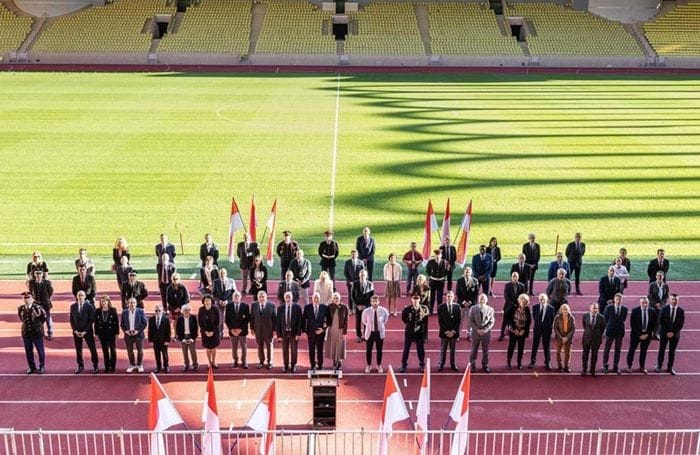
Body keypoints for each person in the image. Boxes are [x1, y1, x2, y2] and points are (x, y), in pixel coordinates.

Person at [70, 290, 98, 374]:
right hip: (77, 332)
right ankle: (80, 365)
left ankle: (95, 365)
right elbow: (71, 319)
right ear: (76, 296)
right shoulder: (73, 306)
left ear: (85, 296)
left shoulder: (89, 306)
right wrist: (75, 330)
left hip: (87, 332)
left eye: (82, 295)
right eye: (79, 295)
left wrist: (85, 331)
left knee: (92, 349)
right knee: (78, 349)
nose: (80, 297)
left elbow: (91, 320)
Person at [626, 297, 657, 374]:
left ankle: (642, 366)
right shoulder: (635, 311)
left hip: (647, 335)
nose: (645, 304)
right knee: (632, 350)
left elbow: (654, 324)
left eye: (646, 302)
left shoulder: (652, 311)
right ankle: (629, 366)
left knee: (644, 351)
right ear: (640, 303)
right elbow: (633, 324)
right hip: (636, 335)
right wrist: (640, 334)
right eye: (643, 303)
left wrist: (647, 334)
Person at [400, 294, 429, 373]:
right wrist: (410, 325)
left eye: (417, 299)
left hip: (419, 332)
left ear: (419, 300)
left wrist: (425, 335)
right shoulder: (407, 309)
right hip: (409, 332)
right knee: (406, 349)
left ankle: (422, 364)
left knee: (420, 349)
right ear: (412, 300)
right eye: (414, 299)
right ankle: (403, 364)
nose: (415, 301)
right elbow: (404, 318)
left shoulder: (424, 309)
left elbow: (425, 322)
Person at [18, 292, 46, 375]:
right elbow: (21, 318)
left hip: (37, 332)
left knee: (40, 351)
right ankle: (32, 367)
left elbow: (43, 318)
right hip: (26, 333)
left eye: (28, 298)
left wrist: (37, 321)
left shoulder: (37, 308)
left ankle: (41, 366)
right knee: (28, 351)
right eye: (25, 298)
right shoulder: (21, 308)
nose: (27, 300)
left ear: (32, 299)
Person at [656, 294, 684, 375]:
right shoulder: (664, 309)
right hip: (664, 333)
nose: (674, 301)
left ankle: (670, 367)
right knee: (662, 350)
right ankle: (659, 366)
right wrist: (667, 332)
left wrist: (673, 332)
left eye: (676, 299)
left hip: (675, 335)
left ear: (678, 300)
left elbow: (681, 324)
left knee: (672, 351)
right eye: (673, 299)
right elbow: (661, 321)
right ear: (669, 300)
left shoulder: (681, 311)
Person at [276, 291, 303, 373]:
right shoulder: (280, 308)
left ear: (292, 298)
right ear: (284, 298)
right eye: (286, 297)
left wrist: (298, 333)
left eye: (289, 297)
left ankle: (293, 365)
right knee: (285, 349)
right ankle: (285, 365)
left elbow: (300, 322)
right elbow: (278, 322)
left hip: (294, 333)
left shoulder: (297, 307)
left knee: (294, 350)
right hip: (284, 333)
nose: (288, 299)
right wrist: (279, 335)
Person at [362, 295, 389, 373]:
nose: (375, 303)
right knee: (368, 350)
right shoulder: (366, 311)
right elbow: (364, 321)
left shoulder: (384, 311)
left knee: (379, 350)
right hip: (370, 333)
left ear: (378, 302)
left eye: (376, 301)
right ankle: (369, 365)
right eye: (373, 301)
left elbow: (385, 320)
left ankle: (379, 365)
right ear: (371, 302)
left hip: (379, 333)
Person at [468, 294, 495, 373]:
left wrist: (485, 330)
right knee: (474, 350)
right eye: (480, 298)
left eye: (484, 298)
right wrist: (477, 330)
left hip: (486, 333)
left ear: (486, 300)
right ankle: (472, 365)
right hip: (475, 333)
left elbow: (491, 321)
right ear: (478, 299)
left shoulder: (491, 309)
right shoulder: (473, 308)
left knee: (485, 350)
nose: (482, 299)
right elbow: (471, 321)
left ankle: (485, 365)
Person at [602, 293, 627, 375]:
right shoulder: (609, 308)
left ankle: (615, 366)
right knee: (607, 349)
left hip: (619, 332)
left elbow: (623, 319)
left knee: (618, 349)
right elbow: (605, 319)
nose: (618, 301)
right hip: (610, 331)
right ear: (614, 300)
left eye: (620, 300)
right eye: (617, 299)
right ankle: (605, 365)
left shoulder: (624, 309)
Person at [250, 291, 276, 370]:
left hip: (269, 330)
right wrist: (252, 328)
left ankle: (269, 362)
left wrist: (275, 330)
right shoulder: (254, 305)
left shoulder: (272, 305)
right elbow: (252, 318)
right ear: (257, 297)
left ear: (266, 297)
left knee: (269, 346)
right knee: (260, 346)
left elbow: (275, 319)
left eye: (263, 297)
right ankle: (261, 361)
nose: (261, 298)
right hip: (258, 330)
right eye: (260, 297)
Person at [529, 293, 555, 370]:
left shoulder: (551, 308)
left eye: (543, 298)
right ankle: (532, 361)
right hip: (537, 328)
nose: (541, 300)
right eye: (540, 298)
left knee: (546, 346)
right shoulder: (535, 307)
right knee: (535, 345)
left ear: (546, 299)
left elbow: (552, 319)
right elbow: (534, 317)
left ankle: (547, 362)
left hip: (547, 329)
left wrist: (548, 327)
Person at [505, 293, 531, 370]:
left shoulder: (527, 309)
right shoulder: (513, 308)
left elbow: (529, 321)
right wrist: (514, 329)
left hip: (522, 332)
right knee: (511, 346)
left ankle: (519, 362)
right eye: (522, 300)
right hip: (514, 331)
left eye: (525, 301)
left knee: (521, 347)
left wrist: (523, 330)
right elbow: (508, 318)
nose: (523, 302)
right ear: (519, 300)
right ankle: (508, 362)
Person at [303, 292, 328, 371]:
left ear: (320, 299)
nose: (316, 299)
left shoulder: (324, 307)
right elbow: (304, 320)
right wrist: (304, 332)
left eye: (317, 298)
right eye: (315, 298)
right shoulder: (307, 307)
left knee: (320, 350)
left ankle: (320, 365)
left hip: (320, 333)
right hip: (311, 333)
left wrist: (323, 329)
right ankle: (312, 364)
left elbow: (329, 320)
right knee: (311, 350)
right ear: (312, 299)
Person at [121, 297, 147, 373]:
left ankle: (139, 364)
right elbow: (122, 324)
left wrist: (138, 331)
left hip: (138, 334)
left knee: (140, 350)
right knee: (130, 351)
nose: (132, 304)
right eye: (130, 303)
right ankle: (132, 364)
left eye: (134, 303)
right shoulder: (124, 312)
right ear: (128, 304)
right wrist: (126, 331)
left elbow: (144, 323)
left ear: (136, 304)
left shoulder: (141, 311)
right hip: (128, 335)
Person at [94, 295, 120, 373]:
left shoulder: (113, 310)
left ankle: (113, 366)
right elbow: (96, 323)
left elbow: (116, 322)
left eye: (105, 301)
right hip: (102, 334)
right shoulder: (98, 311)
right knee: (105, 351)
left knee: (113, 350)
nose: (103, 303)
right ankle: (107, 366)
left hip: (111, 333)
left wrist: (117, 333)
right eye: (102, 301)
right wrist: (96, 333)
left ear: (108, 301)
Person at [225, 291, 249, 369]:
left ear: (240, 297)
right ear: (232, 298)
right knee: (234, 347)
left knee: (243, 347)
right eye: (235, 296)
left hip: (242, 331)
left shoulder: (245, 306)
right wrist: (231, 329)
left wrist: (240, 329)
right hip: (233, 332)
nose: (236, 297)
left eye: (238, 296)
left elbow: (247, 319)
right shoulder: (228, 306)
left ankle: (244, 361)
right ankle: (235, 360)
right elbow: (227, 320)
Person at [325, 292, 349, 370]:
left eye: (337, 298)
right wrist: (325, 325)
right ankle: (334, 361)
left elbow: (346, 321)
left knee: (339, 346)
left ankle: (339, 362)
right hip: (332, 329)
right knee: (333, 345)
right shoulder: (329, 307)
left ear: (340, 299)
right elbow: (327, 318)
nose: (335, 300)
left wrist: (345, 332)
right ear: (332, 299)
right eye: (334, 298)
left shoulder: (344, 307)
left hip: (340, 330)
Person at [437, 291, 460, 372]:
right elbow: (440, 321)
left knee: (453, 350)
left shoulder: (457, 307)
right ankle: (441, 364)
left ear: (453, 297)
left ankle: (453, 364)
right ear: (445, 297)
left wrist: (453, 331)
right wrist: (446, 331)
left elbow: (458, 321)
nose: (449, 298)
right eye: (448, 296)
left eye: (451, 296)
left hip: (453, 333)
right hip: (444, 333)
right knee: (443, 349)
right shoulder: (440, 307)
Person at [581, 302, 605, 377]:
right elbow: (584, 326)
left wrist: (598, 336)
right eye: (593, 308)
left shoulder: (601, 317)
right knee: (585, 354)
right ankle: (584, 369)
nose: (595, 310)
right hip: (586, 338)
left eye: (596, 308)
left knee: (594, 355)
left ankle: (592, 370)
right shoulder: (585, 315)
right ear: (590, 308)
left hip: (596, 339)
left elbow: (602, 329)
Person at [28, 269, 54, 340]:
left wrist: (47, 299)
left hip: (45, 303)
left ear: (42, 275)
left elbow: (50, 292)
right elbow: (31, 292)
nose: (38, 275)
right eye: (37, 274)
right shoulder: (31, 283)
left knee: (47, 318)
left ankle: (50, 333)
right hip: (36, 303)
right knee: (37, 318)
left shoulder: (47, 283)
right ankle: (40, 332)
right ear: (35, 275)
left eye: (40, 274)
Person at [500, 272, 525, 341]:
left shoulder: (522, 286)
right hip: (508, 306)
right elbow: (506, 296)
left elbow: (522, 296)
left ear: (518, 277)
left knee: (516, 321)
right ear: (511, 277)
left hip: (518, 306)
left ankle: (515, 333)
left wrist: (518, 304)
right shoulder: (507, 285)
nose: (514, 278)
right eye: (513, 276)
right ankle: (502, 334)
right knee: (505, 321)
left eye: (516, 276)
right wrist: (512, 304)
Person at [456, 267, 479, 340]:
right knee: (460, 320)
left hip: (471, 304)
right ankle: (458, 334)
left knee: (470, 320)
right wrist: (463, 301)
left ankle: (469, 334)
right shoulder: (459, 280)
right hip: (462, 304)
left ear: (471, 273)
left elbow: (476, 293)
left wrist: (470, 302)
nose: (467, 273)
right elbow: (457, 293)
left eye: (468, 272)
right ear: (464, 273)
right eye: (466, 272)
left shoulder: (475, 281)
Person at [198, 294, 221, 368]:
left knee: (213, 348)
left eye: (209, 301)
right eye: (206, 301)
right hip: (205, 332)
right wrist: (205, 332)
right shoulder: (201, 309)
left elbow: (218, 321)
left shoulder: (215, 309)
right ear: (203, 302)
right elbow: (200, 322)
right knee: (208, 348)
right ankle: (209, 362)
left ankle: (214, 361)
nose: (207, 302)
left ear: (211, 301)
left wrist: (213, 331)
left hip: (214, 331)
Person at [352, 270, 374, 342]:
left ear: (366, 276)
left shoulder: (370, 284)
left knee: (366, 322)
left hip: (366, 307)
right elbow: (352, 296)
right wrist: (358, 305)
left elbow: (372, 296)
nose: (362, 276)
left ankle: (366, 335)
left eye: (364, 275)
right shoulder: (355, 284)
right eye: (361, 275)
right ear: (359, 275)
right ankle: (359, 336)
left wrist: (365, 306)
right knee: (358, 322)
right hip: (358, 306)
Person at [213, 268, 236, 337]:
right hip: (219, 303)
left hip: (229, 303)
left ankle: (232, 332)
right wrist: (219, 300)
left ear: (226, 274)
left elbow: (234, 293)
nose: (222, 275)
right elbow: (214, 294)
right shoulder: (216, 282)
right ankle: (220, 332)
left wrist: (227, 301)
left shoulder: (231, 281)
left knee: (230, 318)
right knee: (220, 318)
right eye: (221, 273)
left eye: (224, 273)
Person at [148, 303, 171, 373]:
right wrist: (150, 340)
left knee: (165, 355)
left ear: (162, 311)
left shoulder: (166, 319)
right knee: (157, 354)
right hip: (155, 340)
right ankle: (158, 367)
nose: (157, 312)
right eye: (156, 311)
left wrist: (167, 340)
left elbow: (168, 331)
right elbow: (150, 330)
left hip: (163, 340)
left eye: (159, 311)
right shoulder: (151, 319)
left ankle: (166, 366)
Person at [176, 304, 199, 372]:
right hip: (183, 337)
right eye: (185, 310)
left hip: (191, 336)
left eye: (188, 310)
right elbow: (178, 330)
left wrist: (192, 338)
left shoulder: (193, 318)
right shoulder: (179, 319)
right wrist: (182, 338)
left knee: (193, 351)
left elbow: (196, 329)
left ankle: (195, 364)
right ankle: (186, 364)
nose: (187, 312)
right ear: (182, 311)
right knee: (184, 352)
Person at [553, 303, 575, 372]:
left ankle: (566, 366)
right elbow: (555, 328)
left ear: (568, 310)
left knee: (567, 353)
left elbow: (573, 329)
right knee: (558, 352)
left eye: (566, 309)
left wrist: (567, 337)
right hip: (560, 337)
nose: (565, 311)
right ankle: (559, 366)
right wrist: (561, 337)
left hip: (568, 337)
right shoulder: (557, 317)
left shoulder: (571, 318)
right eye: (563, 309)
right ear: (561, 310)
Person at [426, 249, 447, 315]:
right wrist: (432, 276)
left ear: (441, 255)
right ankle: (431, 310)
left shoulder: (444, 262)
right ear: (434, 256)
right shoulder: (430, 262)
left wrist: (442, 276)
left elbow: (447, 271)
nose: (437, 257)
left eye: (439, 255)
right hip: (433, 281)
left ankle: (439, 310)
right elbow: (428, 270)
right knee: (431, 296)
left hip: (441, 281)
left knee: (439, 297)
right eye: (436, 255)